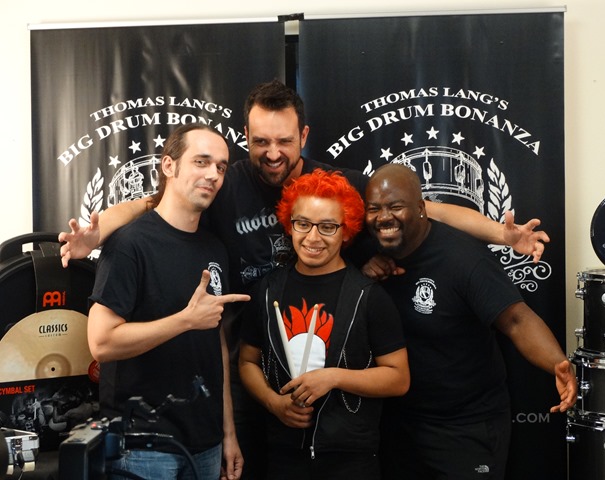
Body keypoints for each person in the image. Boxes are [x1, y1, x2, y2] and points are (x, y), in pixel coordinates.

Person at [59, 80, 550, 479]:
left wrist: (502, 235)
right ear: (246, 137)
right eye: (260, 142)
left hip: (336, 410)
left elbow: (427, 208)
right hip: (238, 379)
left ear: (304, 136)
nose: (273, 153)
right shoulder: (224, 184)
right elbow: (151, 203)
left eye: (285, 141)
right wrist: (96, 233)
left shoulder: (332, 185)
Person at [363, 163, 578, 480]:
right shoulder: (368, 251)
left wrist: (557, 362)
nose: (384, 217)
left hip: (466, 428)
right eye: (374, 209)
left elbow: (516, 320)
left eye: (396, 207)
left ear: (422, 208)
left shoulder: (464, 258)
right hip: (398, 427)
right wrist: (363, 272)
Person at [86, 123, 249, 480]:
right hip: (142, 448)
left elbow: (217, 343)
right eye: (201, 162)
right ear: (169, 165)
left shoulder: (214, 248)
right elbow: (101, 343)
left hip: (206, 446)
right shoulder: (129, 244)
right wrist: (185, 320)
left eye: (221, 167)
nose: (213, 174)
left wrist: (228, 433)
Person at [238, 169, 409, 480]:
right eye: (303, 224)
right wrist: (273, 402)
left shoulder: (369, 297)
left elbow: (399, 378)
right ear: (289, 225)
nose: (313, 237)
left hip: (350, 460)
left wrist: (333, 377)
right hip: (282, 457)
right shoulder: (266, 291)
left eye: (327, 227)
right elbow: (247, 361)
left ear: (346, 231)